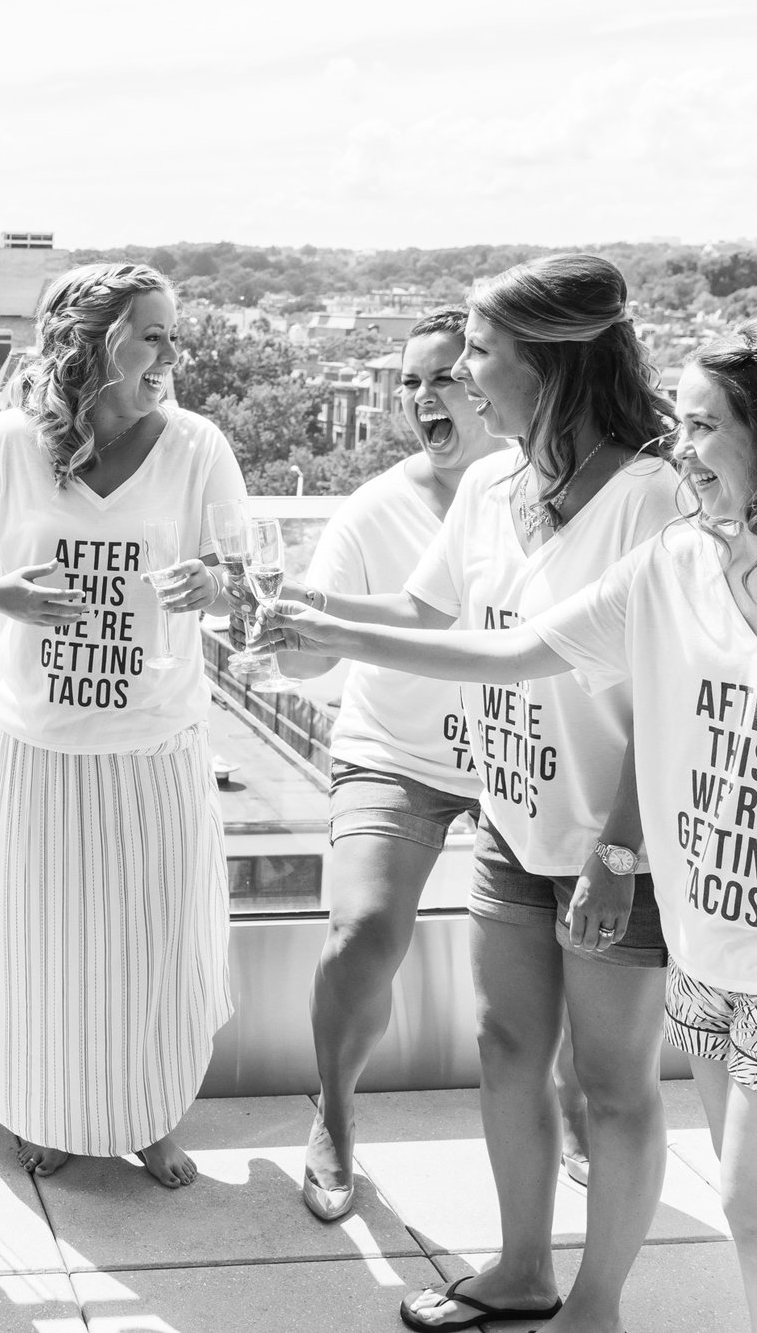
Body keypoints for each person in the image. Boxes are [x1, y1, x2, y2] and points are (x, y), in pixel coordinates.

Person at [266, 313, 757, 1333]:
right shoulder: (675, 565)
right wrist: (323, 622)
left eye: (705, 429)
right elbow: (512, 652)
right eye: (681, 423)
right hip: (707, 953)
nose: (682, 448)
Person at [269, 253, 678, 1332]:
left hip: (615, 843)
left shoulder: (653, 501)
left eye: (481, 353)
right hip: (512, 817)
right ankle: (521, 1270)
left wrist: (619, 853)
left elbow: (663, 702)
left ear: (544, 363)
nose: (462, 373)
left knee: (614, 1079)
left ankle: (597, 1305)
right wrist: (309, 613)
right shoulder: (495, 485)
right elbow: (426, 613)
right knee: (506, 1048)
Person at [0, 262, 243, 1189]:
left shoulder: (199, 447)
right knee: (42, 949)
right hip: (37, 746)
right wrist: (11, 596)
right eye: (151, 333)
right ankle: (47, 1108)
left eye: (172, 332)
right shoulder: (3, 447)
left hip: (155, 740)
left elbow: (238, 576)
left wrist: (211, 582)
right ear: (93, 342)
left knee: (156, 944)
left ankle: (153, 1118)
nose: (170, 352)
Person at [270, 307, 501, 1219]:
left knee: (558, 952)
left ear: (494, 384)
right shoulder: (373, 508)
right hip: (393, 753)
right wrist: (271, 617)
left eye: (442, 376)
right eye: (410, 382)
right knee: (364, 930)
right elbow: (305, 661)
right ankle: (334, 1114)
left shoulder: (543, 496)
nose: (422, 397)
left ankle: (578, 1108)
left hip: (515, 764)